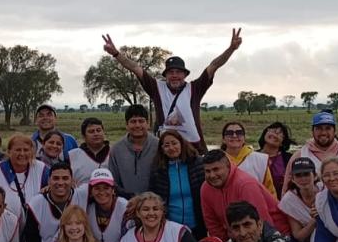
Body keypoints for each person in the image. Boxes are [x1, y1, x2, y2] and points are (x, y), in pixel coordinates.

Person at [102, 29, 243, 151]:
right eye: (170, 72)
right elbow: (135, 68)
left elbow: (214, 65)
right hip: (166, 148)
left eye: (178, 72)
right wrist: (115, 53)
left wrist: (231, 49)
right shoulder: (157, 88)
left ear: (185, 75)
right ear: (166, 75)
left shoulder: (194, 88)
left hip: (194, 147)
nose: (174, 75)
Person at [200, 149, 290, 241]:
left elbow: (263, 223)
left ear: (228, 166)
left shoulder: (245, 185)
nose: (212, 175)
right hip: (242, 238)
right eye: (208, 171)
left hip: (276, 236)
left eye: (216, 169)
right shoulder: (205, 188)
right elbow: (213, 225)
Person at [25, 161, 90, 242]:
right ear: (49, 180)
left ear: (72, 181)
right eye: (56, 178)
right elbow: (31, 238)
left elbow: (105, 187)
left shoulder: (83, 194)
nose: (60, 182)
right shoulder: (36, 203)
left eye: (65, 178)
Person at [149, 129, 206, 238]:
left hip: (198, 225)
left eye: (174, 143)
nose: (171, 148)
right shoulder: (158, 170)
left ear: (181, 143)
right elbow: (153, 198)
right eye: (166, 145)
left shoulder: (197, 163)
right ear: (162, 149)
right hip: (170, 228)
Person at [0, 135, 50, 227]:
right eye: (18, 150)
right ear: (9, 152)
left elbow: (55, 187)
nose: (22, 154)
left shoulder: (42, 169)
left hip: (35, 228)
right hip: (3, 227)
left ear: (32, 152)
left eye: (26, 150)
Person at [109, 104, 160, 199]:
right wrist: (130, 198)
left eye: (141, 121)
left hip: (154, 206)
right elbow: (113, 181)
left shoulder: (159, 146)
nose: (137, 125)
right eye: (133, 121)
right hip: (126, 205)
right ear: (126, 125)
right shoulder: (116, 149)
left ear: (148, 123)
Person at [221, 121, 277, 197]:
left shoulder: (260, 159)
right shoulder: (217, 160)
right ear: (223, 139)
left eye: (239, 133)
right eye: (229, 133)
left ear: (244, 138)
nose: (234, 135)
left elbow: (269, 191)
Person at [85, 168, 129, 242]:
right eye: (97, 188)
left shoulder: (124, 206)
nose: (101, 192)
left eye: (106, 188)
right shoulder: (88, 208)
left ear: (113, 190)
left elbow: (129, 238)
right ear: (91, 191)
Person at [68, 117, 111, 185]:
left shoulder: (114, 153)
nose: (96, 134)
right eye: (91, 131)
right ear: (83, 136)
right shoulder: (71, 155)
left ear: (103, 132)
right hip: (80, 194)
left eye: (98, 130)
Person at [257, 122, 295, 194]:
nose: (274, 134)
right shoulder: (251, 156)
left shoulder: (289, 159)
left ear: (282, 142)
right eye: (272, 131)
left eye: (279, 134)